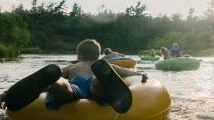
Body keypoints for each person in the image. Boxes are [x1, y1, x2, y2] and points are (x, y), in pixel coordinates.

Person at [0, 39, 146, 114]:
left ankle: (53, 85)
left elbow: (56, 75)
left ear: (80, 55)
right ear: (97, 56)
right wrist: (144, 76)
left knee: (64, 86)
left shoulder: (72, 67)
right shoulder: (108, 66)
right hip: (94, 84)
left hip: (76, 85)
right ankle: (101, 80)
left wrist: (7, 93)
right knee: (97, 85)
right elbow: (131, 74)